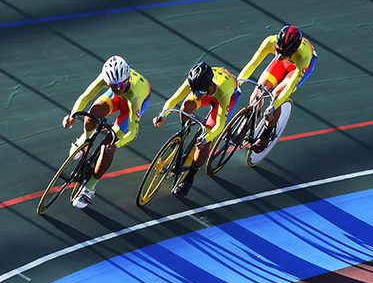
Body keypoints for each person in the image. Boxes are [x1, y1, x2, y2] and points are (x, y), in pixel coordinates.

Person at [62, 55, 151, 209]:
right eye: (112, 86)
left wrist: (117, 144)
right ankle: (85, 140)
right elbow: (85, 97)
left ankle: (89, 188)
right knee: (92, 113)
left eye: (119, 85)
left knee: (108, 145)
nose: (116, 89)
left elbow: (133, 132)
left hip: (132, 104)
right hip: (117, 100)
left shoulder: (135, 96)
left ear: (127, 79)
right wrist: (73, 116)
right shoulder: (107, 78)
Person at [153, 61, 240, 197]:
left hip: (227, 97)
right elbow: (174, 99)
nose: (195, 95)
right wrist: (163, 114)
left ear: (210, 86)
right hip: (210, 88)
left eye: (199, 92)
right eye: (193, 91)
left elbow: (219, 125)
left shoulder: (223, 92)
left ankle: (189, 178)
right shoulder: (196, 82)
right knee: (186, 106)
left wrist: (206, 139)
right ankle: (185, 131)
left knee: (207, 135)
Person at [237, 25, 317, 153]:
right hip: (286, 63)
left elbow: (290, 86)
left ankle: (267, 133)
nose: (279, 56)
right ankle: (252, 116)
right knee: (259, 90)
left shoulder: (303, 57)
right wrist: (238, 84)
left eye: (284, 53)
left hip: (298, 68)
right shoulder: (270, 42)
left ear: (293, 51)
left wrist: (273, 107)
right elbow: (252, 64)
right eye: (278, 50)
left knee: (276, 95)